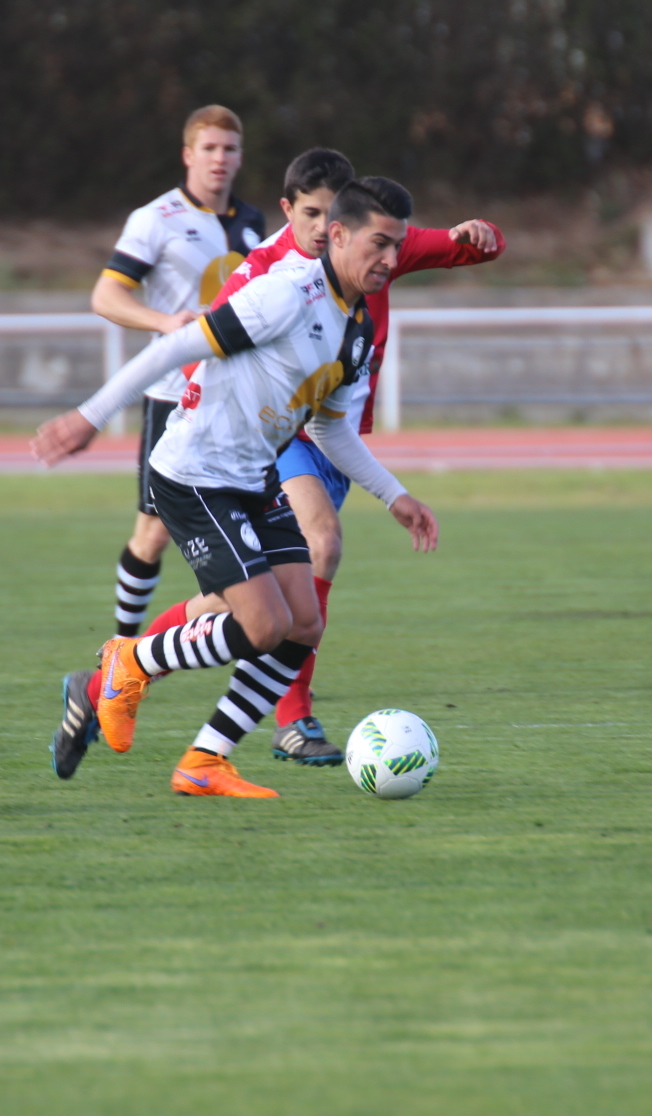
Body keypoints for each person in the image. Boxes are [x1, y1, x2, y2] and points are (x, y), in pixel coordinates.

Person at [35, 177, 439, 800]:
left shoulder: (356, 328)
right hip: (194, 474)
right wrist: (90, 416)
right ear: (337, 235)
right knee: (262, 623)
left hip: (253, 478)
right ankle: (128, 663)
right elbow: (175, 347)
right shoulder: (285, 295)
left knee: (304, 624)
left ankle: (205, 760)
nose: (390, 260)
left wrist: (395, 496)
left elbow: (330, 431)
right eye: (379, 244)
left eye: (398, 247)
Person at [112, 147, 503, 769]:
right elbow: (202, 344)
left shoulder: (372, 260)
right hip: (270, 443)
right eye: (313, 215)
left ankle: (137, 687)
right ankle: (286, 718)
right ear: (292, 211)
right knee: (317, 554)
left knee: (250, 609)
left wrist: (480, 236)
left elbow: (466, 249)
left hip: (327, 434)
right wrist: (163, 407)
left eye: (333, 214)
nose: (323, 230)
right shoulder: (274, 278)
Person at [91, 105, 266, 640]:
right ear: (188, 155)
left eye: (229, 149)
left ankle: (253, 629)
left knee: (253, 528)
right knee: (153, 533)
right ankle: (122, 646)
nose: (220, 159)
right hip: (174, 395)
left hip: (236, 399)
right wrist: (166, 323)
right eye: (209, 148)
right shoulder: (155, 219)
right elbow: (106, 295)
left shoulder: (253, 222)